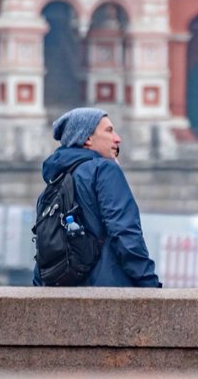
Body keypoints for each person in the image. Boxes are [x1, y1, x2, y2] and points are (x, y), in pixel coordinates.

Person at [33, 107, 161, 288]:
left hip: (62, 289)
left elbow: (44, 242)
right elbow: (124, 231)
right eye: (109, 131)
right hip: (107, 289)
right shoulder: (104, 170)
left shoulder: (55, 178)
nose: (118, 138)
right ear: (86, 139)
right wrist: (149, 284)